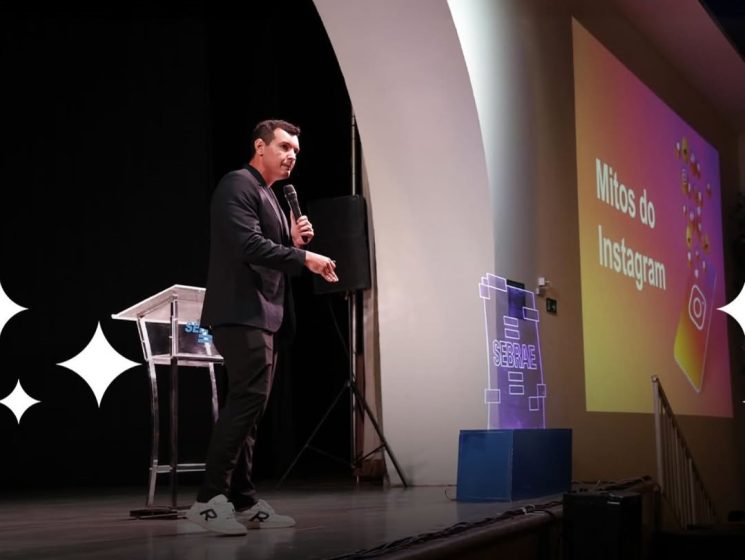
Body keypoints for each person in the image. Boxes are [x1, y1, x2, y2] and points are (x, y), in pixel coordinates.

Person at [186, 119, 338, 535]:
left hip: (262, 314)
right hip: (240, 312)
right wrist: (305, 258)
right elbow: (247, 245)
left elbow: (270, 250)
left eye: (296, 151)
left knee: (251, 412)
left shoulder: (270, 195)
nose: (291, 156)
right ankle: (207, 501)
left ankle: (244, 499)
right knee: (245, 405)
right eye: (284, 147)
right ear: (260, 147)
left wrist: (294, 243)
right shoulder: (238, 184)